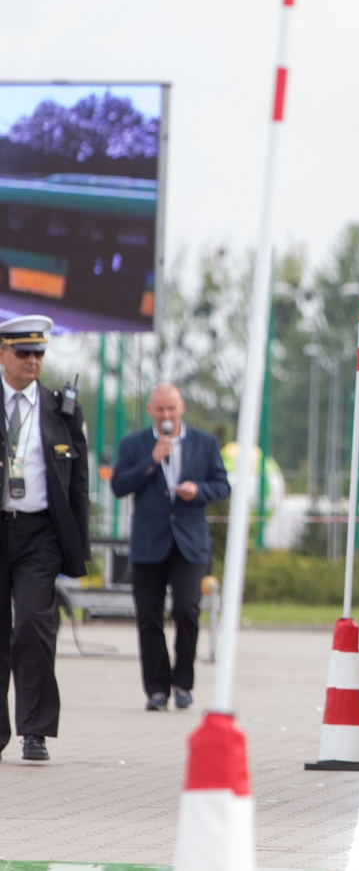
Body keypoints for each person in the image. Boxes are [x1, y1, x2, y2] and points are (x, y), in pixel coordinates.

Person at [0, 315, 89, 763]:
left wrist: (79, 545)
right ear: (2, 353)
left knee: (33, 626)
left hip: (39, 534)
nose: (33, 360)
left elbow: (78, 484)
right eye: (23, 352)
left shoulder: (61, 408)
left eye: (39, 353)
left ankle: (34, 730)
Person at [111, 383, 230, 711]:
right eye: (160, 409)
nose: (166, 415)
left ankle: (183, 683)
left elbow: (222, 485)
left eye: (171, 409)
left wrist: (199, 490)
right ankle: (156, 689)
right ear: (150, 410)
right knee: (149, 616)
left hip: (188, 543)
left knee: (187, 610)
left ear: (182, 408)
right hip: (149, 543)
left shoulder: (204, 443)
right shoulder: (134, 444)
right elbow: (119, 485)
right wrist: (151, 461)